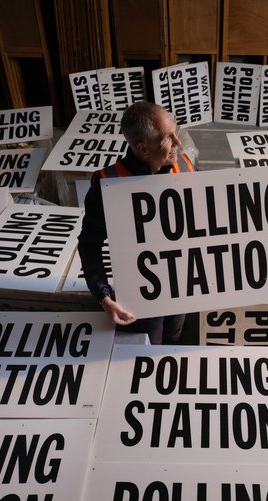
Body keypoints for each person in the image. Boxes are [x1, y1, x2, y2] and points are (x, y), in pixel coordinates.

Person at [77, 100, 194, 344]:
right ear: (144, 149)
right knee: (148, 347)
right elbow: (89, 244)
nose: (178, 143)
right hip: (142, 296)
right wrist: (104, 296)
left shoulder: (183, 167)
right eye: (168, 137)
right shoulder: (108, 184)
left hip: (183, 285)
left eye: (176, 132)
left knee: (173, 339)